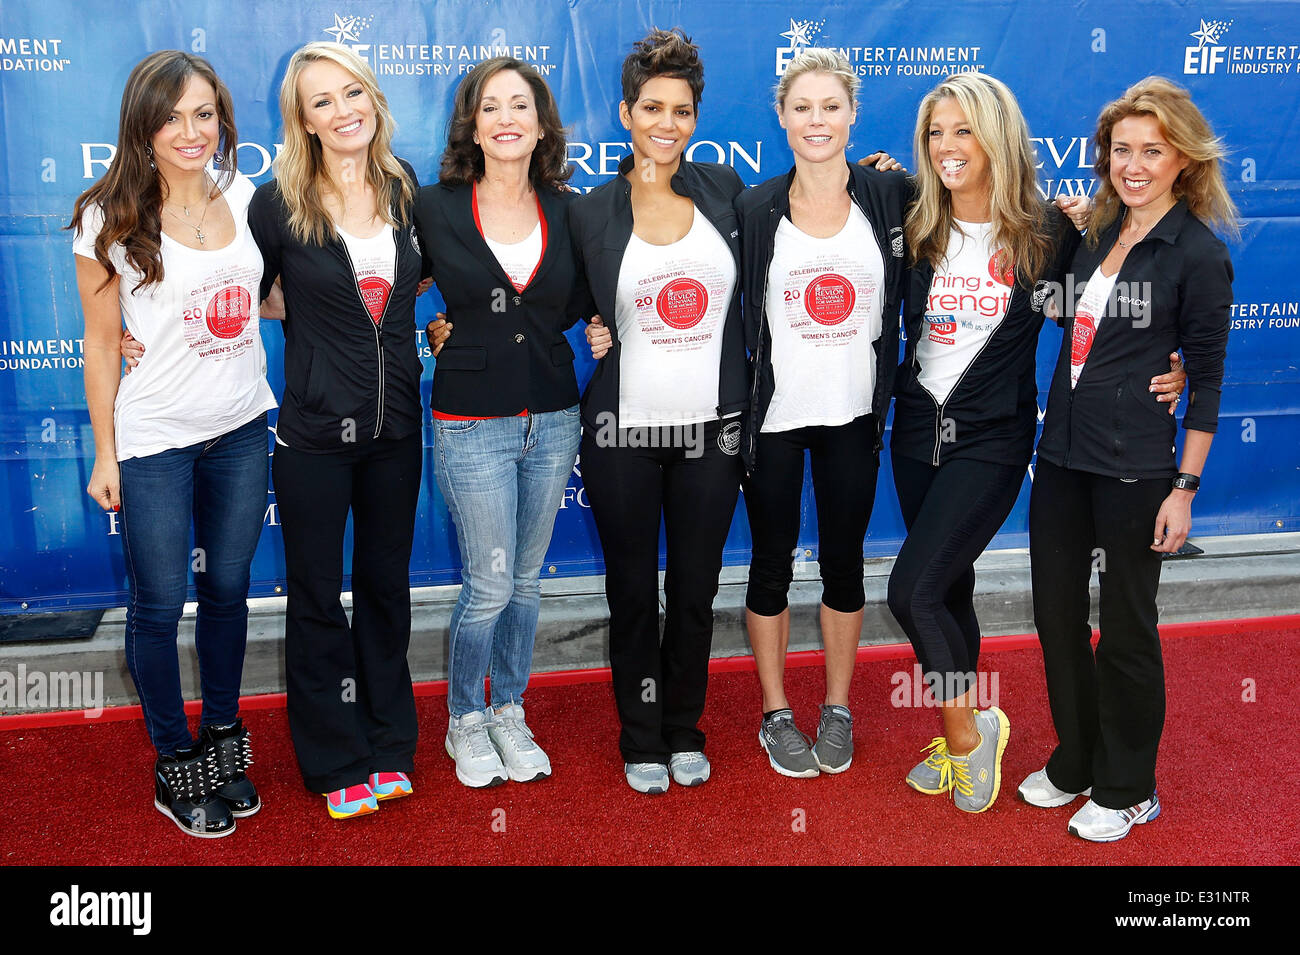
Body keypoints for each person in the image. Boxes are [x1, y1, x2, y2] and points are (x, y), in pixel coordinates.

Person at [1022, 76, 1236, 841]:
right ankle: (1076, 761)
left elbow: (1206, 381)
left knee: (1126, 626)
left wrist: (1184, 487)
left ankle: (1129, 785)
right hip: (1062, 459)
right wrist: (1066, 229)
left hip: (1137, 470)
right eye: (1122, 150)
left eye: (1153, 150)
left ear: (1183, 159)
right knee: (1054, 615)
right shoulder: (1093, 233)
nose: (1134, 164)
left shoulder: (1199, 254)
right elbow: (1051, 310)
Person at [72, 50, 276, 838]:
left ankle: (223, 738)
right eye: (171, 116)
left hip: (240, 426)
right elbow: (98, 343)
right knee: (159, 605)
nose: (189, 131)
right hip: (155, 436)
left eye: (203, 113)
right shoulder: (107, 215)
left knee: (228, 590)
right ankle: (173, 759)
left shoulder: (246, 193)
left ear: (220, 117)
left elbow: (262, 300)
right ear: (143, 125)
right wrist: (105, 451)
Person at [247, 42, 424, 820]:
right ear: (303, 120)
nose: (342, 110)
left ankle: (389, 742)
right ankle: (333, 757)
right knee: (318, 598)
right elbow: (239, 293)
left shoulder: (405, 187)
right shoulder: (274, 203)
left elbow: (421, 287)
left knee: (387, 591)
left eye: (352, 92)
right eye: (322, 101)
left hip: (397, 434)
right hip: (315, 437)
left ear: (373, 98)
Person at [572, 28, 747, 794]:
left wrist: (878, 180)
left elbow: (814, 214)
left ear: (695, 118)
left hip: (713, 428)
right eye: (652, 107)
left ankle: (685, 728)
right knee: (634, 591)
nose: (666, 123)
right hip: (623, 432)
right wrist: (444, 327)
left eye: (681, 110)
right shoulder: (591, 211)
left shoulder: (728, 194)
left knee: (698, 591)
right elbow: (553, 298)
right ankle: (641, 734)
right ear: (626, 112)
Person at [413, 58, 589, 788]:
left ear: (542, 124)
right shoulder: (434, 206)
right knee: (487, 584)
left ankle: (510, 708)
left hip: (552, 416)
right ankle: (464, 717)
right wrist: (431, 330)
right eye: (492, 107)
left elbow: (584, 298)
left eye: (522, 105)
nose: (507, 118)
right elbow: (387, 283)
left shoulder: (573, 209)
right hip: (471, 422)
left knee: (525, 580)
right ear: (473, 125)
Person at [735, 48, 910, 779]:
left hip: (852, 415)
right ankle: (776, 710)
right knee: (770, 564)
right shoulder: (752, 207)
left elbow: (978, 221)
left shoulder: (890, 196)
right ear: (781, 116)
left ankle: (837, 705)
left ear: (852, 115)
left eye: (830, 107)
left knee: (845, 564)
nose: (816, 120)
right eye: (802, 107)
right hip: (774, 418)